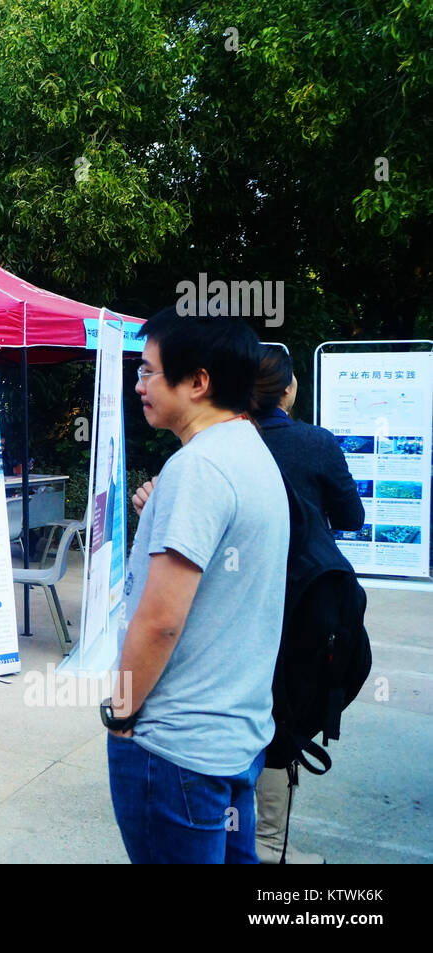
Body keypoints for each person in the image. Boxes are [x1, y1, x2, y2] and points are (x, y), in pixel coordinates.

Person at [106, 308, 288, 864]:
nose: (138, 386)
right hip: (233, 736)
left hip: (175, 746)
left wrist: (120, 711)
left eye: (147, 372)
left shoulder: (198, 468)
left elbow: (161, 621)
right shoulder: (250, 450)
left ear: (198, 381)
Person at [249, 345, 365, 864]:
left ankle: (241, 835)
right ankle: (268, 845)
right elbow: (351, 514)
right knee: (285, 718)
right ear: (290, 389)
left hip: (234, 603)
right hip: (303, 605)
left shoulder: (216, 445)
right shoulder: (315, 443)